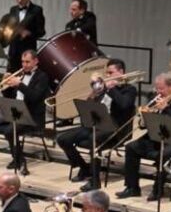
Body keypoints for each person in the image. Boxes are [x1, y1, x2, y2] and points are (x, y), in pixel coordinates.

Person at [55, 58, 137, 186]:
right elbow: (87, 107)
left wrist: (112, 89)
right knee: (62, 138)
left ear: (121, 72)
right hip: (96, 125)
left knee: (93, 139)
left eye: (111, 73)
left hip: (116, 129)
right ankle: (84, 168)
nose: (107, 76)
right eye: (107, 73)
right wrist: (94, 92)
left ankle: (95, 180)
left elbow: (124, 105)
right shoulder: (103, 89)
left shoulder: (129, 89)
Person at [116, 73, 171, 201]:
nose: (158, 92)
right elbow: (144, 126)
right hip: (155, 136)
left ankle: (157, 189)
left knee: (163, 153)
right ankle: (132, 188)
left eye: (161, 88)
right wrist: (144, 118)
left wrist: (167, 108)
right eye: (157, 88)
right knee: (131, 147)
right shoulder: (155, 97)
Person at [0, 49, 51, 170]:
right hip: (13, 111)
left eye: (27, 62)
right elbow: (10, 97)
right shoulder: (21, 75)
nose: (24, 65)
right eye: (22, 62)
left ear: (36, 61)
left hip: (31, 116)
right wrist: (6, 84)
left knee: (9, 131)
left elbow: (35, 97)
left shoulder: (43, 77)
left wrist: (19, 85)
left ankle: (18, 160)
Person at [5, 0, 46, 74]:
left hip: (27, 50)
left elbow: (41, 31)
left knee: (26, 77)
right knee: (11, 76)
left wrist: (28, 33)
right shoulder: (13, 9)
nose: (19, 1)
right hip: (13, 50)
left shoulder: (37, 10)